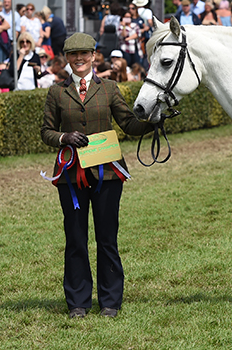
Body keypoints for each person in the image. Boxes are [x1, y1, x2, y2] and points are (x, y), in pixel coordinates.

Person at [40, 33, 153, 319]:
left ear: (93, 56)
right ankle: (78, 301)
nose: (79, 59)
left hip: (108, 175)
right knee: (75, 237)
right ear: (67, 58)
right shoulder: (56, 92)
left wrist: (153, 123)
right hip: (70, 175)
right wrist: (64, 136)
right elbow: (46, 132)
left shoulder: (110, 88)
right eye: (73, 55)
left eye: (84, 54)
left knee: (107, 237)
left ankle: (110, 301)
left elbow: (128, 122)